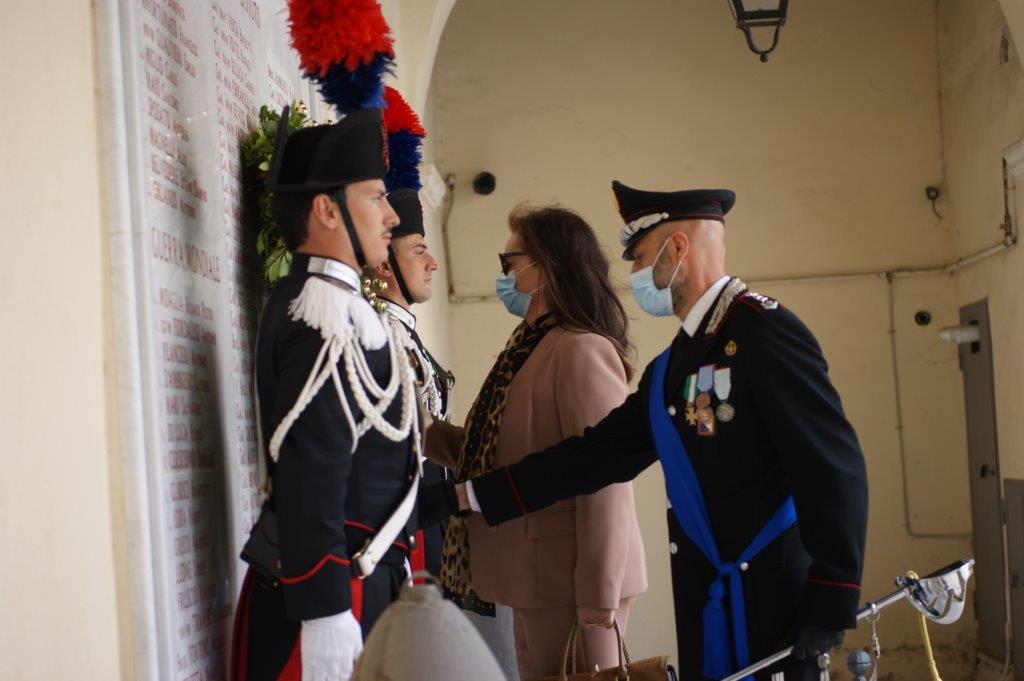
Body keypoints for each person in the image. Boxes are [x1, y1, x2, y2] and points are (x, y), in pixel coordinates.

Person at [452, 183, 869, 681]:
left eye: (641, 256)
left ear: (677, 248)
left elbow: (831, 467)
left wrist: (832, 598)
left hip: (775, 598)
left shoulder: (763, 332)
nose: (632, 274)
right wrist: (470, 495)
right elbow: (592, 458)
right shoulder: (674, 366)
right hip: (707, 597)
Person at [230, 107, 421, 681]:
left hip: (359, 584)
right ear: (326, 209)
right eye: (375, 198)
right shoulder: (319, 314)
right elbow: (312, 468)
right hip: (330, 599)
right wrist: (325, 612)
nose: (391, 217)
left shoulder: (340, 308)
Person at [427, 205, 648, 679]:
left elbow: (603, 479)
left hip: (572, 583)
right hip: (535, 575)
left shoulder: (580, 348)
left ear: (544, 264)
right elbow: (496, 451)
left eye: (510, 261)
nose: (503, 273)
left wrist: (596, 599)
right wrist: (421, 432)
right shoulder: (528, 345)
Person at [372, 187, 455, 579]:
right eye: (419, 251)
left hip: (432, 510)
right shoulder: (383, 334)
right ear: (385, 266)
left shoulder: (403, 330)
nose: (433, 263)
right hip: (412, 515)